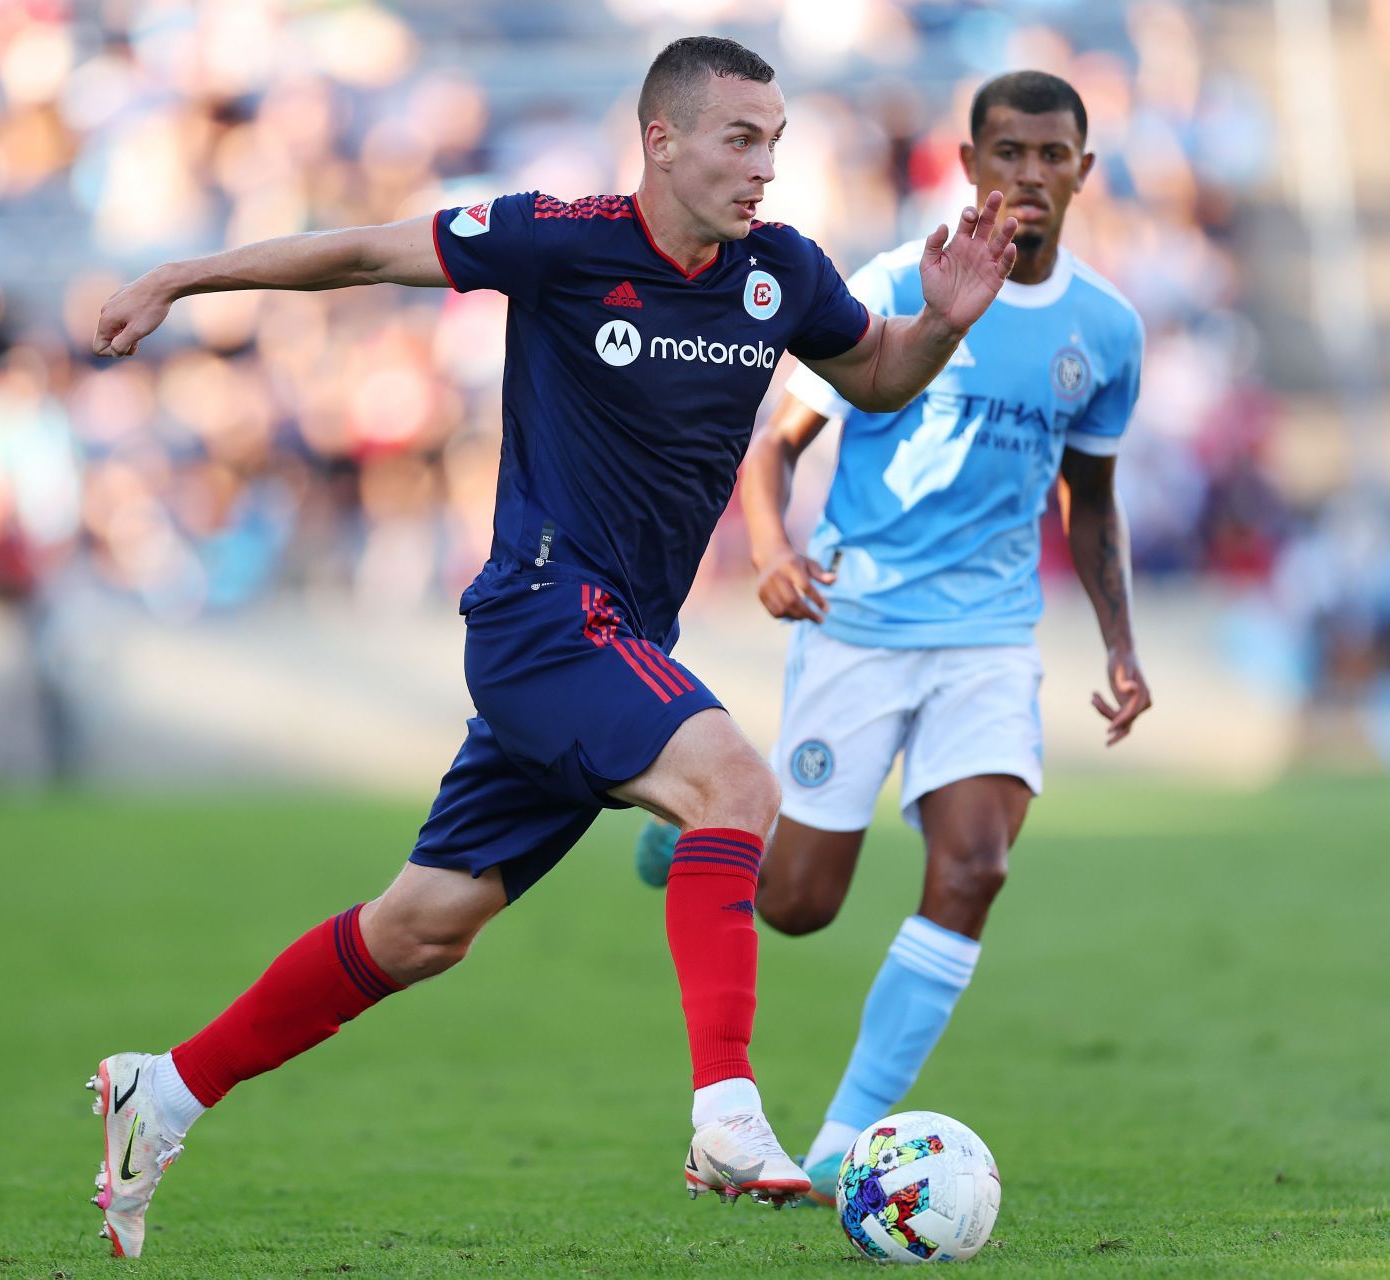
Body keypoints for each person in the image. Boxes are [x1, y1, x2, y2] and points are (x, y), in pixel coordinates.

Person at [80, 36, 1018, 1257]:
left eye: (777, 141)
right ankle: (727, 1112)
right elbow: (364, 250)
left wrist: (940, 323)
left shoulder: (780, 271)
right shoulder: (561, 238)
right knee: (735, 781)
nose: (765, 168)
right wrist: (180, 277)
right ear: (663, 140)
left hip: (616, 638)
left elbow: (879, 376)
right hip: (543, 613)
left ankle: (164, 1089)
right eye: (743, 139)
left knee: (422, 925)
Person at [632, 70, 1151, 1205]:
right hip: (859, 625)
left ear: (1082, 171)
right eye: (1006, 151)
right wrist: (772, 551)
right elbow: (776, 446)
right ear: (967, 165)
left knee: (976, 864)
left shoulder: (1106, 329)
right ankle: (692, 841)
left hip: (990, 638)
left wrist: (1119, 642)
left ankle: (841, 1143)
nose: (1027, 172)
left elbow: (1093, 499)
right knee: (801, 903)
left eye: (1050, 154)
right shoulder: (890, 284)